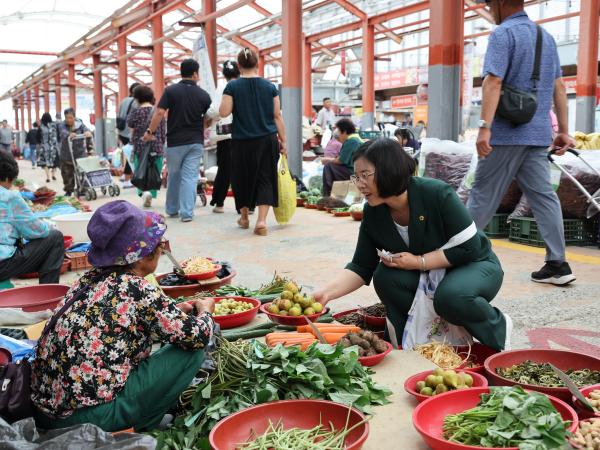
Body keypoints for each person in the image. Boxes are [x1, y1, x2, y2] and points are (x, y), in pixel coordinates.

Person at [31, 200, 215, 432]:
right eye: (159, 245)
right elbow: (197, 336)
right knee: (193, 349)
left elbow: (119, 325)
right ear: (139, 256)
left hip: (46, 413)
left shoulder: (88, 280)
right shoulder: (135, 287)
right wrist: (206, 310)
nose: (161, 249)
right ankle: (139, 425)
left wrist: (174, 314)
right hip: (89, 420)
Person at [313, 138, 511, 351]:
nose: (359, 184)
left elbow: (470, 247)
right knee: (385, 277)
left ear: (388, 170)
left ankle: (498, 332)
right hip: (430, 276)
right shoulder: (373, 212)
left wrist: (419, 262)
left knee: (451, 297)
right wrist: (326, 293)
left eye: (365, 175)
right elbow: (361, 266)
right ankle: (411, 345)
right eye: (356, 176)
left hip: (473, 265)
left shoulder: (436, 193)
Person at [469, 0, 576, 286]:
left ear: (502, 3)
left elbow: (493, 82)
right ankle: (557, 263)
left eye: (491, 3)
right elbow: (559, 87)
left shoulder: (503, 34)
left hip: (505, 135)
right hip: (539, 135)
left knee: (482, 195)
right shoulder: (547, 38)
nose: (490, 9)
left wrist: (484, 128)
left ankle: (456, 255)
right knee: (543, 197)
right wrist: (563, 130)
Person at [219, 48, 287, 236]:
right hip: (267, 140)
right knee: (265, 178)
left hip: (242, 142)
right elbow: (277, 116)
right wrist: (285, 142)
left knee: (241, 179)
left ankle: (244, 218)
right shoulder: (270, 87)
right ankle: (262, 221)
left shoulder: (232, 87)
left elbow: (224, 112)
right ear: (258, 64)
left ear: (239, 66)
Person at [144, 59, 212, 223]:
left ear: (182, 72)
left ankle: (172, 210)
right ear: (195, 74)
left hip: (175, 142)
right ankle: (187, 213)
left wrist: (150, 132)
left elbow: (160, 113)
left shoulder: (171, 91)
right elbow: (209, 118)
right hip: (195, 142)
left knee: (174, 175)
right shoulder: (203, 95)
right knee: (190, 177)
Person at [0, 150, 64, 284]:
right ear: (7, 178)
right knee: (54, 238)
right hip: (2, 264)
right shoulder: (9, 197)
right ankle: (48, 295)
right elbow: (38, 231)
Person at [208, 60, 240, 214]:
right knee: (243, 169)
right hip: (244, 133)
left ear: (224, 74)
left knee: (224, 169)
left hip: (226, 134)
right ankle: (247, 205)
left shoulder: (222, 87)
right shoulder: (244, 85)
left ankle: (219, 203)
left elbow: (214, 110)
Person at [127, 84, 166, 208]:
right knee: (154, 171)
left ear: (137, 99)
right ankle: (150, 192)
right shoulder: (158, 111)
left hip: (141, 147)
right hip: (157, 146)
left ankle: (144, 193)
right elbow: (163, 129)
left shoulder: (136, 112)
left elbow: (129, 124)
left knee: (141, 171)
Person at [320, 118, 363, 196]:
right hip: (355, 171)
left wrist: (327, 160)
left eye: (339, 132)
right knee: (331, 166)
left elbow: (341, 161)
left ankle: (327, 195)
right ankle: (335, 193)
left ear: (345, 131)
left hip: (354, 173)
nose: (338, 135)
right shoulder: (356, 139)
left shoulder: (352, 141)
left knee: (328, 166)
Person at [58, 108, 93, 196]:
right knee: (67, 174)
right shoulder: (62, 125)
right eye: (67, 118)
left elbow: (86, 129)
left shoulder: (80, 124)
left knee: (81, 173)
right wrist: (69, 134)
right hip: (66, 155)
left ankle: (83, 189)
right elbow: (63, 132)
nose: (69, 120)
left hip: (80, 153)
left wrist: (87, 132)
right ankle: (68, 190)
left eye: (71, 118)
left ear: (74, 117)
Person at [38, 113, 60, 183]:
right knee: (55, 162)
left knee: (45, 163)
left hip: (45, 147)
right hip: (53, 147)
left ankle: (48, 177)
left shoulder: (41, 127)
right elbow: (58, 136)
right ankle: (53, 174)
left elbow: (38, 137)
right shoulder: (54, 125)